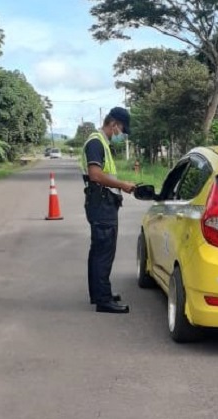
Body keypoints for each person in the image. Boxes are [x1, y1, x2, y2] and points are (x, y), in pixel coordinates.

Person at [81, 107, 136, 314]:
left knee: (99, 252)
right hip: (101, 204)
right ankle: (103, 300)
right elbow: (95, 175)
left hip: (102, 202)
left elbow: (105, 174)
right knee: (103, 253)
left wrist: (121, 183)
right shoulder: (96, 143)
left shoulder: (100, 142)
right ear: (114, 124)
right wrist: (122, 186)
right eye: (122, 129)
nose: (121, 134)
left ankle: (100, 293)